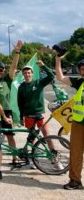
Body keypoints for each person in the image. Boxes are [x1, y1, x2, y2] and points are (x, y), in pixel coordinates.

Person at [55, 56, 84, 190]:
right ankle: (75, 181)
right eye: (82, 69)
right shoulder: (79, 82)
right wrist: (58, 60)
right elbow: (60, 77)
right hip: (78, 124)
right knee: (75, 153)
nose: (83, 71)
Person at [17, 60, 55, 150]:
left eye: (29, 73)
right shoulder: (21, 87)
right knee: (32, 136)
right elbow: (20, 103)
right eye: (25, 73)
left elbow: (51, 76)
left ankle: (53, 152)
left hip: (40, 113)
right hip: (28, 115)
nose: (27, 75)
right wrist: (21, 117)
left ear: (32, 73)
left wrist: (43, 65)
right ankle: (33, 152)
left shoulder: (39, 83)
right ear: (23, 74)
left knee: (47, 135)